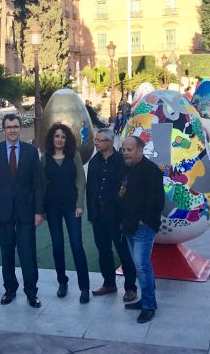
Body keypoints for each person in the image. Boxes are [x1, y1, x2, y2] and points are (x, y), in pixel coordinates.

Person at [0, 114, 44, 308]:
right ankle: (10, 289)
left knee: (28, 253)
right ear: (4, 130)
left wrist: (39, 211)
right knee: (7, 253)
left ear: (20, 128)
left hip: (26, 211)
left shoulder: (31, 151)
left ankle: (31, 292)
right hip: (3, 212)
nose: (12, 130)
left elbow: (38, 184)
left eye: (15, 126)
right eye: (9, 127)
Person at [86, 128, 137, 302]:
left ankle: (130, 288)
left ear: (109, 142)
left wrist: (126, 216)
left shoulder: (122, 162)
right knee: (103, 250)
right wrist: (91, 213)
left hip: (116, 214)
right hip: (98, 214)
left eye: (99, 140)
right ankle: (109, 283)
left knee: (123, 251)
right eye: (95, 140)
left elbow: (128, 189)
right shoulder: (94, 162)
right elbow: (90, 189)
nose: (96, 143)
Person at [42, 123, 90, 304]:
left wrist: (79, 204)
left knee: (77, 245)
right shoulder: (45, 158)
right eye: (57, 136)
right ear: (52, 138)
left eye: (63, 136)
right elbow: (41, 184)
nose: (60, 139)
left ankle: (84, 287)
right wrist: (41, 209)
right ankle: (62, 282)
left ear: (67, 139)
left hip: (72, 207)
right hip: (52, 207)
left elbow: (81, 180)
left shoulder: (74, 155)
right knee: (57, 246)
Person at [119, 136, 165, 324]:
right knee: (140, 265)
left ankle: (148, 306)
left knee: (142, 266)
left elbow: (157, 202)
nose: (125, 153)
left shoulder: (151, 171)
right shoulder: (127, 169)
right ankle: (148, 299)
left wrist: (141, 221)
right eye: (123, 149)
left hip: (143, 227)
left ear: (140, 150)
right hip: (129, 226)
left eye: (129, 150)